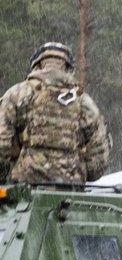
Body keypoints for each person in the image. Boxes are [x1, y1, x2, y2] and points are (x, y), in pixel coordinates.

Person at [0, 42, 111, 186]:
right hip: (71, 191)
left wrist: (4, 179)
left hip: (24, 190)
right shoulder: (84, 101)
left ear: (37, 65)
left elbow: (2, 142)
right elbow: (99, 157)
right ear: (68, 68)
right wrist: (78, 173)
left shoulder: (17, 94)